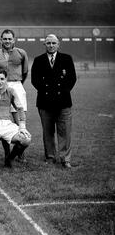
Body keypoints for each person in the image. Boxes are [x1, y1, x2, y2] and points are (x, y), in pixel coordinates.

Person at [31, 34, 77, 169]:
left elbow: (72, 79)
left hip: (63, 101)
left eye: (53, 43)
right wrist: (48, 93)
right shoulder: (38, 60)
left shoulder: (66, 59)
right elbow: (35, 80)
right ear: (44, 44)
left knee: (65, 132)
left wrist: (60, 93)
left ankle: (65, 159)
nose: (51, 45)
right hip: (44, 102)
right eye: (48, 43)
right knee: (48, 132)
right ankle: (50, 157)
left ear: (58, 44)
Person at [0, 69, 31, 169]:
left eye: (2, 79)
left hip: (7, 124)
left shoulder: (11, 91)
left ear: (6, 79)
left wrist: (22, 127)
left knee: (26, 139)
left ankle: (10, 158)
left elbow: (20, 108)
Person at [0, 29, 29, 161]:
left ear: (14, 40)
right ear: (0, 40)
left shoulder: (21, 53)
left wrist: (16, 84)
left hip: (17, 85)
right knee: (5, 121)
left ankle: (20, 153)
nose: (7, 41)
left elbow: (25, 72)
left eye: (10, 39)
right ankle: (7, 153)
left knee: (20, 121)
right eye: (5, 39)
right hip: (2, 87)